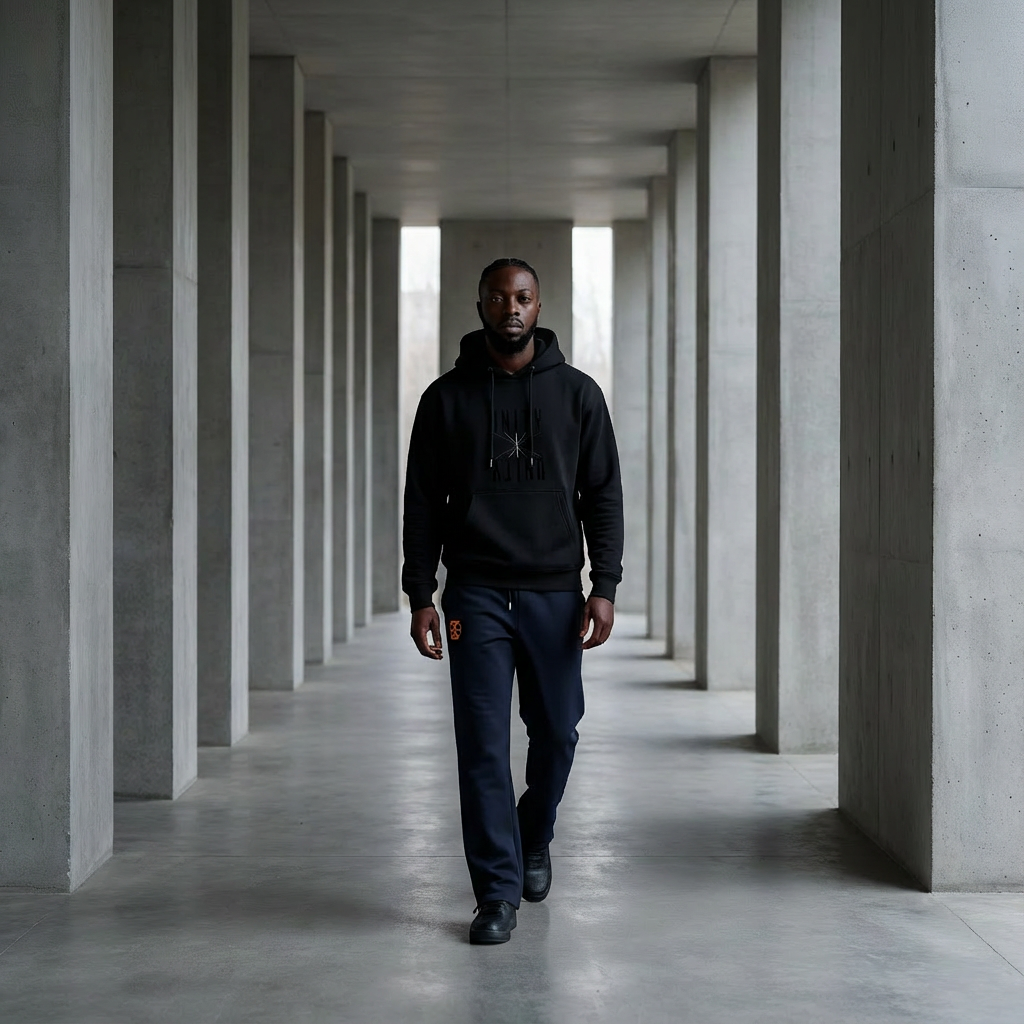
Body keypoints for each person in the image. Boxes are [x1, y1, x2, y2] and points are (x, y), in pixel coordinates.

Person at [402, 257, 624, 945]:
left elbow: (603, 496)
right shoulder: (444, 400)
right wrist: (420, 591)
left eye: (523, 297)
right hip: (475, 591)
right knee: (482, 748)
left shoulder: (579, 396)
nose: (511, 309)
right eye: (499, 297)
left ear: (539, 304)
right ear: (480, 303)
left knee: (557, 732)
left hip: (555, 591)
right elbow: (421, 504)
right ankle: (495, 893)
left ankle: (535, 833)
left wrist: (604, 586)